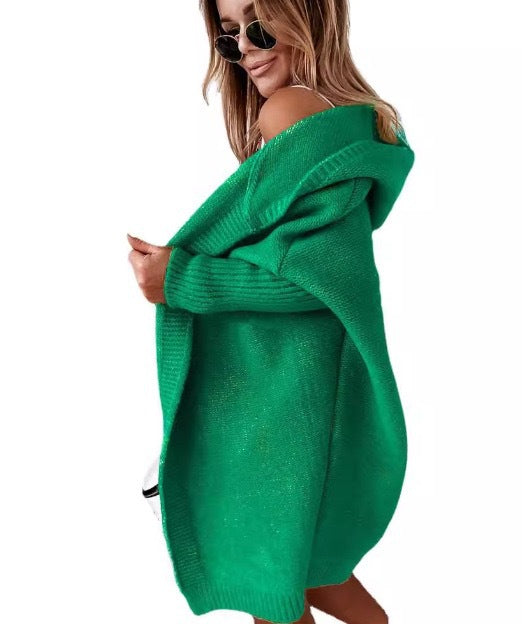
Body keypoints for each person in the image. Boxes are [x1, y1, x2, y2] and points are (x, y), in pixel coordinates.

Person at [128, 1, 412, 623]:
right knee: (309, 574)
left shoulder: (291, 111)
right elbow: (308, 266)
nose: (246, 49)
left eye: (260, 25)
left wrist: (181, 279)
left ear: (307, 14)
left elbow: (318, 281)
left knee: (269, 578)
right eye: (229, 35)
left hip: (282, 407)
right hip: (298, 393)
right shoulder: (341, 120)